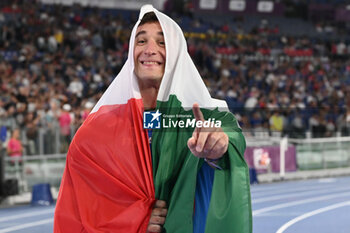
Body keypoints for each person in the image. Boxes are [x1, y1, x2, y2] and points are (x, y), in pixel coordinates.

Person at [54, 5, 252, 233]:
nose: (150, 50)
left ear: (177, 53)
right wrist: (134, 220)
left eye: (162, 42)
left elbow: (230, 135)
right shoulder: (98, 128)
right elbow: (79, 205)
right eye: (141, 41)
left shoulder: (206, 117)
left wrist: (218, 148)